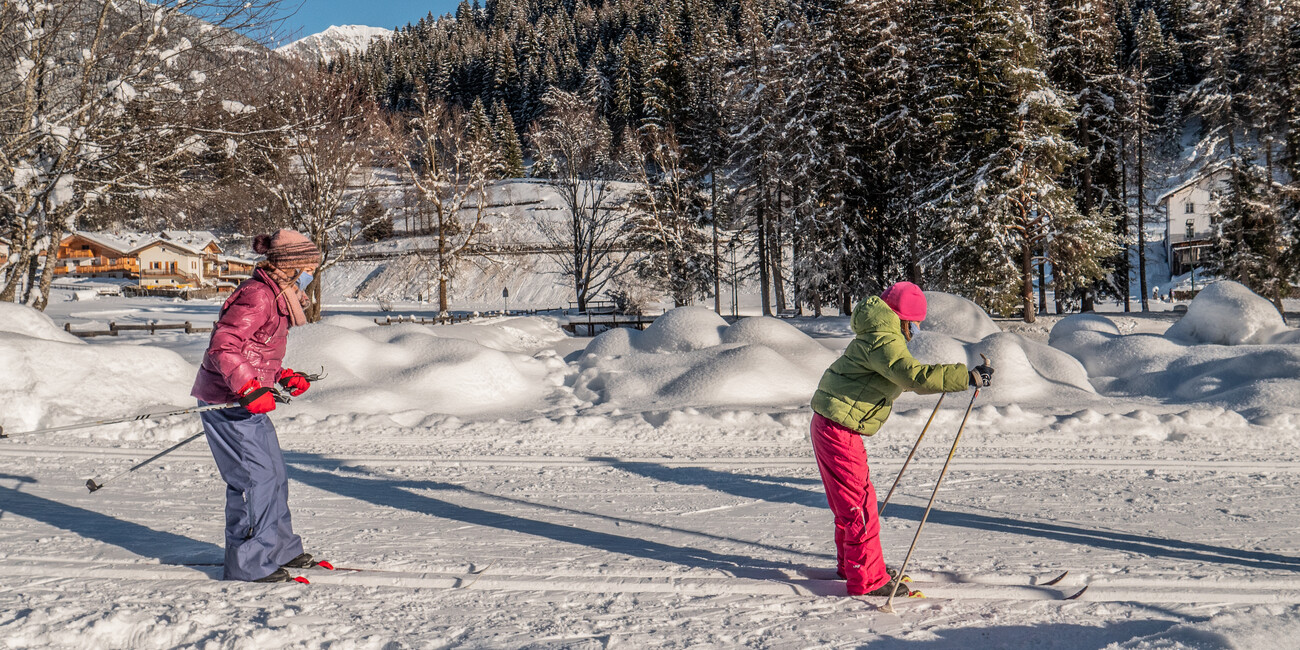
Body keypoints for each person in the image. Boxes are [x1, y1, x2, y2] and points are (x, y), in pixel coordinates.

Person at [809, 281, 993, 597]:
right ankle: (867, 579)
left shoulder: (877, 335)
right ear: (903, 319)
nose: (915, 331)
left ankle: (856, 565)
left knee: (853, 503)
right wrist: (966, 377)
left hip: (833, 425)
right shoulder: (884, 340)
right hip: (839, 429)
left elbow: (902, 375)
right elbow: (911, 375)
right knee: (860, 506)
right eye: (914, 324)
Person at [191, 229, 322, 583]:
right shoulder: (258, 296)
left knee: (274, 475)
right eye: (308, 267)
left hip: (246, 399)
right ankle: (249, 563)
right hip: (227, 400)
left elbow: (255, 350)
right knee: (254, 480)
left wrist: (281, 375)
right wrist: (250, 385)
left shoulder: (278, 296)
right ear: (290, 266)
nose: (311, 275)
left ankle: (279, 549)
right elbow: (224, 346)